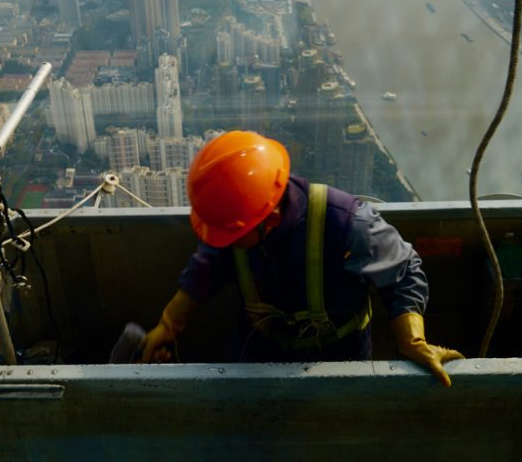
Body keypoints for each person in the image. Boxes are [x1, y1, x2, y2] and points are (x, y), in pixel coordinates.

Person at [140, 130, 463, 386]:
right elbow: (207, 266)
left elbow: (403, 272)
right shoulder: (236, 221)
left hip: (339, 358)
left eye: (231, 235)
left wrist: (411, 339)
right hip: (258, 353)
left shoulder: (347, 224)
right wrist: (168, 325)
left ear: (270, 218)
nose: (223, 241)